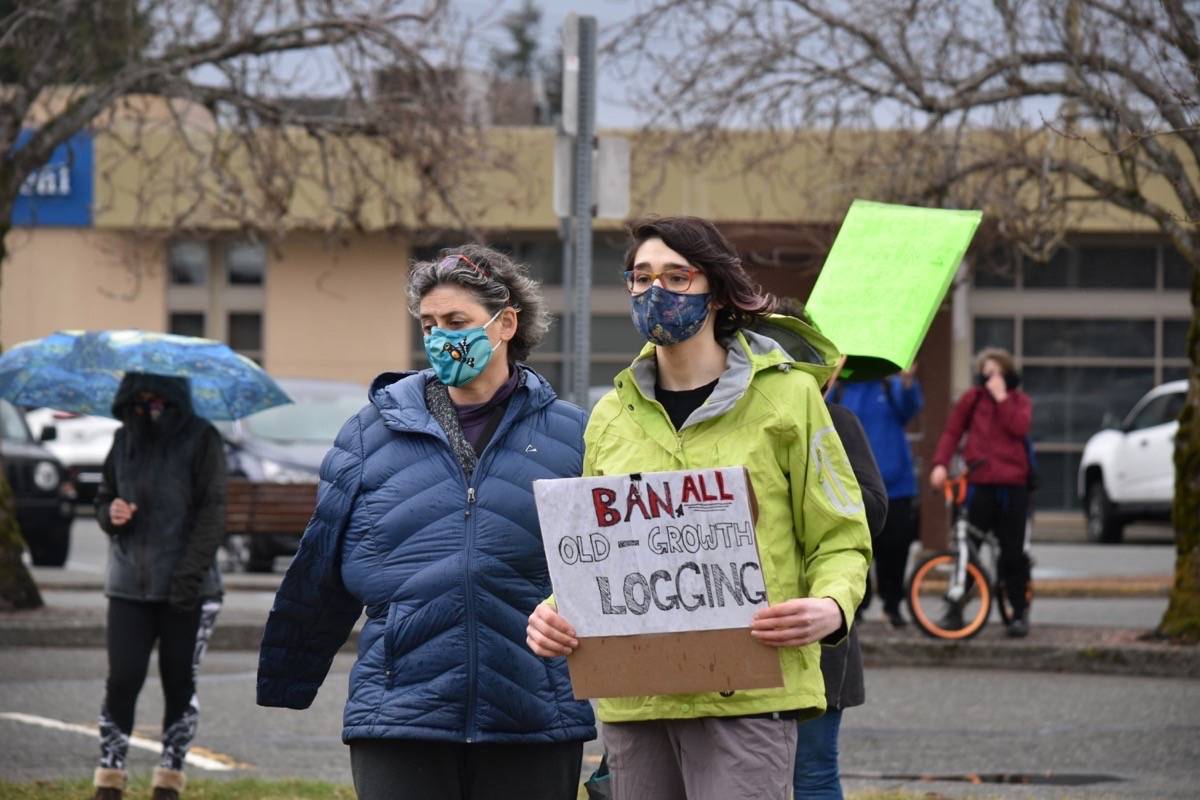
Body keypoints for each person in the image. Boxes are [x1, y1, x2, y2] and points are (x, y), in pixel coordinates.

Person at [527, 216, 872, 800]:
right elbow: (597, 553)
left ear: (715, 290)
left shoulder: (788, 400)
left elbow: (840, 534)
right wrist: (555, 612)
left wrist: (831, 606)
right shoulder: (612, 414)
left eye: (676, 276)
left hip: (750, 689)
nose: (655, 291)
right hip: (635, 696)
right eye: (641, 277)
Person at [257, 246, 595, 800]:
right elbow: (320, 564)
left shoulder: (575, 436)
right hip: (398, 713)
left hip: (533, 714)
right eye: (429, 324)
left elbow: (613, 569)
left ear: (506, 322)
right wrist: (289, 675)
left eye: (456, 322)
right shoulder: (369, 435)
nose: (440, 337)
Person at [92, 374, 227, 800]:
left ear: (174, 398)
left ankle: (169, 776)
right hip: (128, 584)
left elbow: (212, 513)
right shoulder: (122, 439)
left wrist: (186, 580)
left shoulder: (203, 439)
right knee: (123, 679)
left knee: (179, 682)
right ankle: (109, 776)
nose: (148, 406)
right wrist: (109, 512)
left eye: (157, 399)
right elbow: (104, 496)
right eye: (140, 398)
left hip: (191, 589)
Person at [930, 347, 1033, 638]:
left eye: (997, 373)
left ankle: (1018, 612)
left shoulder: (1019, 401)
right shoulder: (972, 400)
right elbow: (952, 432)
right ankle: (955, 609)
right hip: (979, 484)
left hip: (1013, 487)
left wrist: (1002, 399)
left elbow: (1020, 428)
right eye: (987, 373)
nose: (992, 379)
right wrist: (940, 464)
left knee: (1012, 553)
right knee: (967, 549)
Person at [832, 369, 924, 627]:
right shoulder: (840, 389)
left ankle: (892, 606)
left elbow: (910, 410)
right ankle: (855, 608)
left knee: (896, 550)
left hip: (897, 486)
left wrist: (907, 382)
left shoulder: (890, 385)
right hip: (853, 487)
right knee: (854, 548)